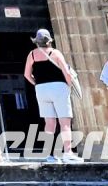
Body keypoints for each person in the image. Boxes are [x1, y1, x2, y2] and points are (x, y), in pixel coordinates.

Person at [24, 28, 82, 161]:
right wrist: (68, 85)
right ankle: (67, 152)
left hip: (41, 90)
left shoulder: (32, 54)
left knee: (49, 123)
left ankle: (49, 154)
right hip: (58, 87)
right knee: (65, 121)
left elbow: (27, 74)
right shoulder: (55, 53)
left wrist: (36, 84)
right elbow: (67, 72)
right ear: (49, 40)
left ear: (37, 42)